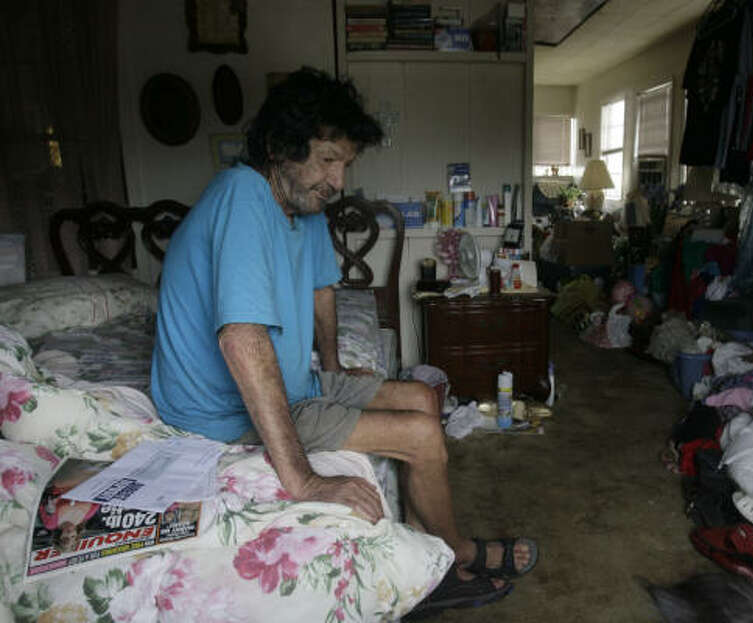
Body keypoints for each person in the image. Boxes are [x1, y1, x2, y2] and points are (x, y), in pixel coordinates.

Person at [151, 67, 537, 609]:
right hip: (224, 412)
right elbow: (241, 338)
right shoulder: (241, 195)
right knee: (423, 436)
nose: (337, 181)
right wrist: (304, 480)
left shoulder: (301, 206)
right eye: (327, 159)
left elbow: (322, 289)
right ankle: (450, 556)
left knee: (423, 398)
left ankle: (426, 544)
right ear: (281, 147)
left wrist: (332, 368)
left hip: (296, 382)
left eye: (345, 164)